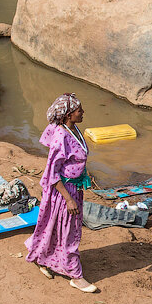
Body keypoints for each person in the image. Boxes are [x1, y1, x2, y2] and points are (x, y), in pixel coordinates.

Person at [24, 93, 97, 293]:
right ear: (67, 115)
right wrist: (69, 199)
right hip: (65, 192)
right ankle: (75, 275)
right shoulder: (61, 136)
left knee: (54, 226)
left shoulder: (73, 130)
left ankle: (41, 257)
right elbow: (52, 172)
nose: (83, 112)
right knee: (70, 232)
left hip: (74, 188)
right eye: (79, 110)